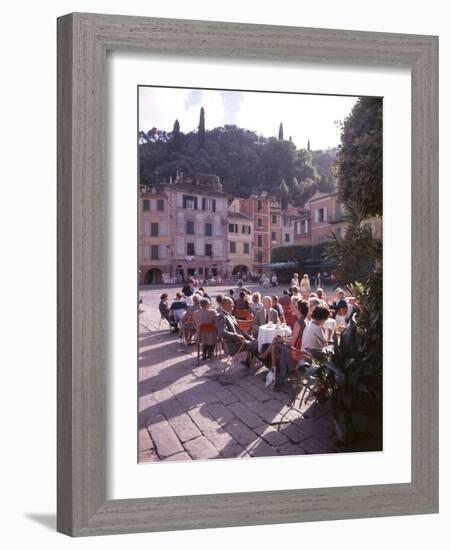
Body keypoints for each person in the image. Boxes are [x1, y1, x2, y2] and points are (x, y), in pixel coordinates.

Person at [216, 297, 258, 363]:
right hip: (234, 345)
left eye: (232, 303)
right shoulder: (221, 316)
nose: (233, 305)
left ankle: (249, 362)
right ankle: (262, 362)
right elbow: (222, 332)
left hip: (240, 342)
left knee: (256, 342)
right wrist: (236, 336)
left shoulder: (231, 316)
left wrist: (250, 338)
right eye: (230, 303)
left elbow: (240, 330)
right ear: (224, 305)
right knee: (257, 344)